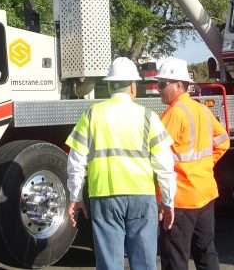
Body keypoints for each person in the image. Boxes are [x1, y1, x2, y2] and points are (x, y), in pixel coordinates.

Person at [65, 57, 177, 270]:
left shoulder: (92, 115)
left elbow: (76, 161)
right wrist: (169, 201)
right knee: (144, 262)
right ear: (133, 86)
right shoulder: (149, 117)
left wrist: (75, 197)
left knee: (109, 263)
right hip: (142, 196)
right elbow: (165, 165)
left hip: (104, 196)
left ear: (108, 86)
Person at [155, 57, 230, 270]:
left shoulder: (173, 114)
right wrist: (204, 167)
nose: (159, 89)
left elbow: (158, 158)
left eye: (162, 84)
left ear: (179, 85)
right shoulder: (202, 110)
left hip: (181, 200)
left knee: (175, 258)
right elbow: (223, 142)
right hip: (205, 194)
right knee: (206, 253)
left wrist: (159, 197)